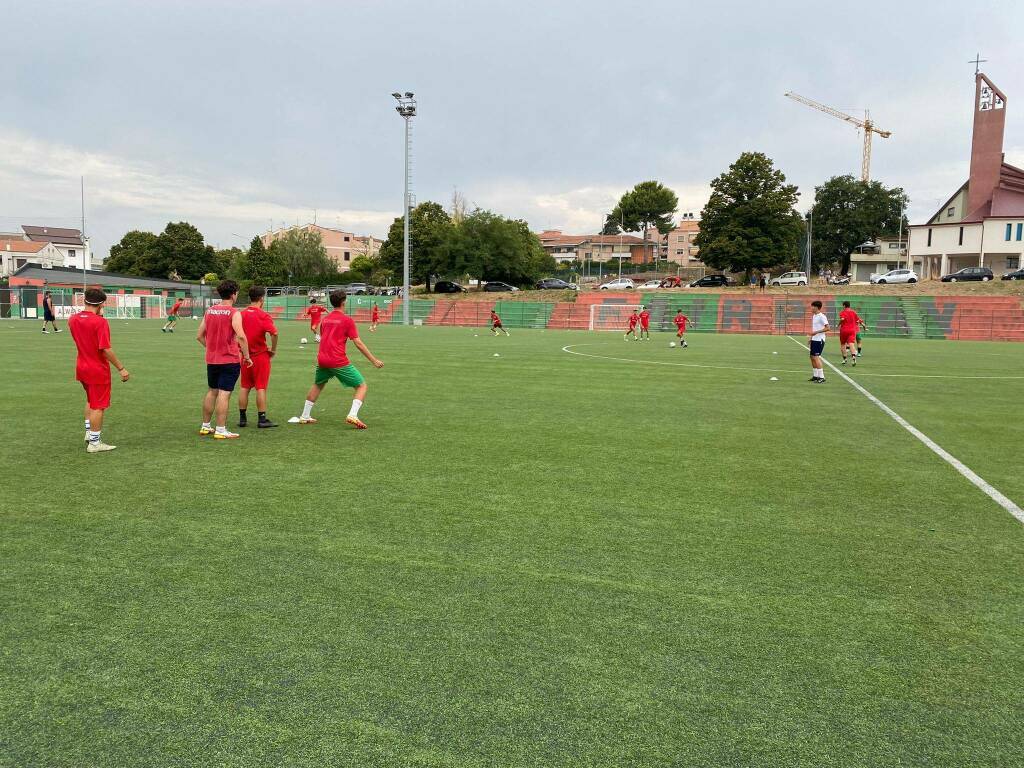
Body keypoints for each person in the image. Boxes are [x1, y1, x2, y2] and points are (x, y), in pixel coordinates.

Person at [294, 290, 384, 428]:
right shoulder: (347, 320)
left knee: (318, 384)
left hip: (322, 359)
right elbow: (358, 343)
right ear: (343, 302)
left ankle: (305, 416)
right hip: (337, 360)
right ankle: (352, 415)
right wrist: (374, 360)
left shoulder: (326, 319)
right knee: (361, 386)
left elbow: (325, 337)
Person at [68, 288, 130, 453]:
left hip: (81, 366)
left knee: (90, 399)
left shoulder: (73, 319)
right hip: (97, 369)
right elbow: (105, 349)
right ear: (102, 303)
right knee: (98, 405)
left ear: (85, 300)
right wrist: (121, 368)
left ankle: (89, 433)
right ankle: (95, 443)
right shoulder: (100, 322)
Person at [197, 279, 252, 439]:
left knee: (212, 391)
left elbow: (199, 336)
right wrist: (247, 356)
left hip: (212, 360)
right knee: (224, 393)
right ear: (234, 294)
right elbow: (241, 336)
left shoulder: (209, 311)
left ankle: (206, 426)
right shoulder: (234, 313)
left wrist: (212, 348)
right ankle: (221, 429)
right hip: (229, 359)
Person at [238, 286, 279, 428]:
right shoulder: (263, 315)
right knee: (260, 387)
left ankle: (242, 419)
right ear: (262, 298)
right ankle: (262, 419)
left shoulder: (240, 314)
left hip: (244, 356)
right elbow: (274, 333)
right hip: (260, 356)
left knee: (245, 387)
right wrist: (273, 350)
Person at [838, 300, 868, 366]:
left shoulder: (843, 312)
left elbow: (842, 319)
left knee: (843, 344)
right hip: (852, 330)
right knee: (851, 344)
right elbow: (858, 320)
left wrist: (838, 324)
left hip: (844, 330)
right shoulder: (853, 312)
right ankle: (854, 357)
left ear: (844, 305)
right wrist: (864, 327)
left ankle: (844, 359)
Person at [808, 300, 829, 383]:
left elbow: (828, 328)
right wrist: (811, 337)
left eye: (812, 306)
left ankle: (822, 377)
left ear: (816, 307)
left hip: (819, 340)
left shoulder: (822, 316)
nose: (811, 308)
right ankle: (815, 376)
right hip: (814, 339)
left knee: (816, 357)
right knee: (812, 357)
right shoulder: (814, 316)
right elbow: (814, 328)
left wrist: (816, 333)